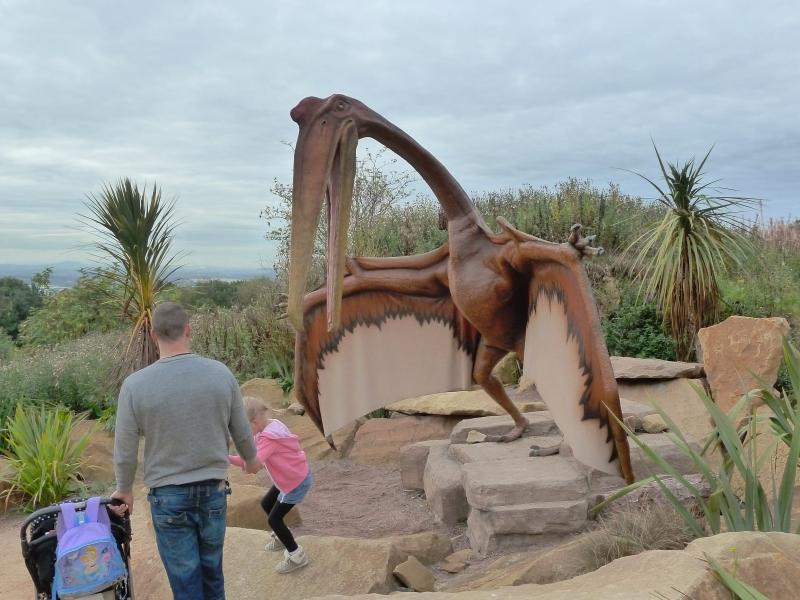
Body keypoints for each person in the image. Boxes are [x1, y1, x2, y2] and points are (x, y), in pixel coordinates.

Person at [111, 302, 260, 600]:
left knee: (186, 582)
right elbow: (241, 428)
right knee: (212, 574)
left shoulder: (134, 385)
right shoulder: (220, 373)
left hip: (168, 497)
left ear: (153, 335)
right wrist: (251, 459)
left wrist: (124, 490)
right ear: (188, 330)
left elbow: (125, 448)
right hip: (213, 492)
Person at [229, 397, 313, 574]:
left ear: (256, 421)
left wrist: (226, 458)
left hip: (295, 482)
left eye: (245, 428)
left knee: (273, 519)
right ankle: (282, 536)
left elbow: (255, 464)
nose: (244, 433)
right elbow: (251, 453)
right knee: (266, 503)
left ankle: (297, 555)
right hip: (290, 478)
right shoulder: (269, 426)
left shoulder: (270, 438)